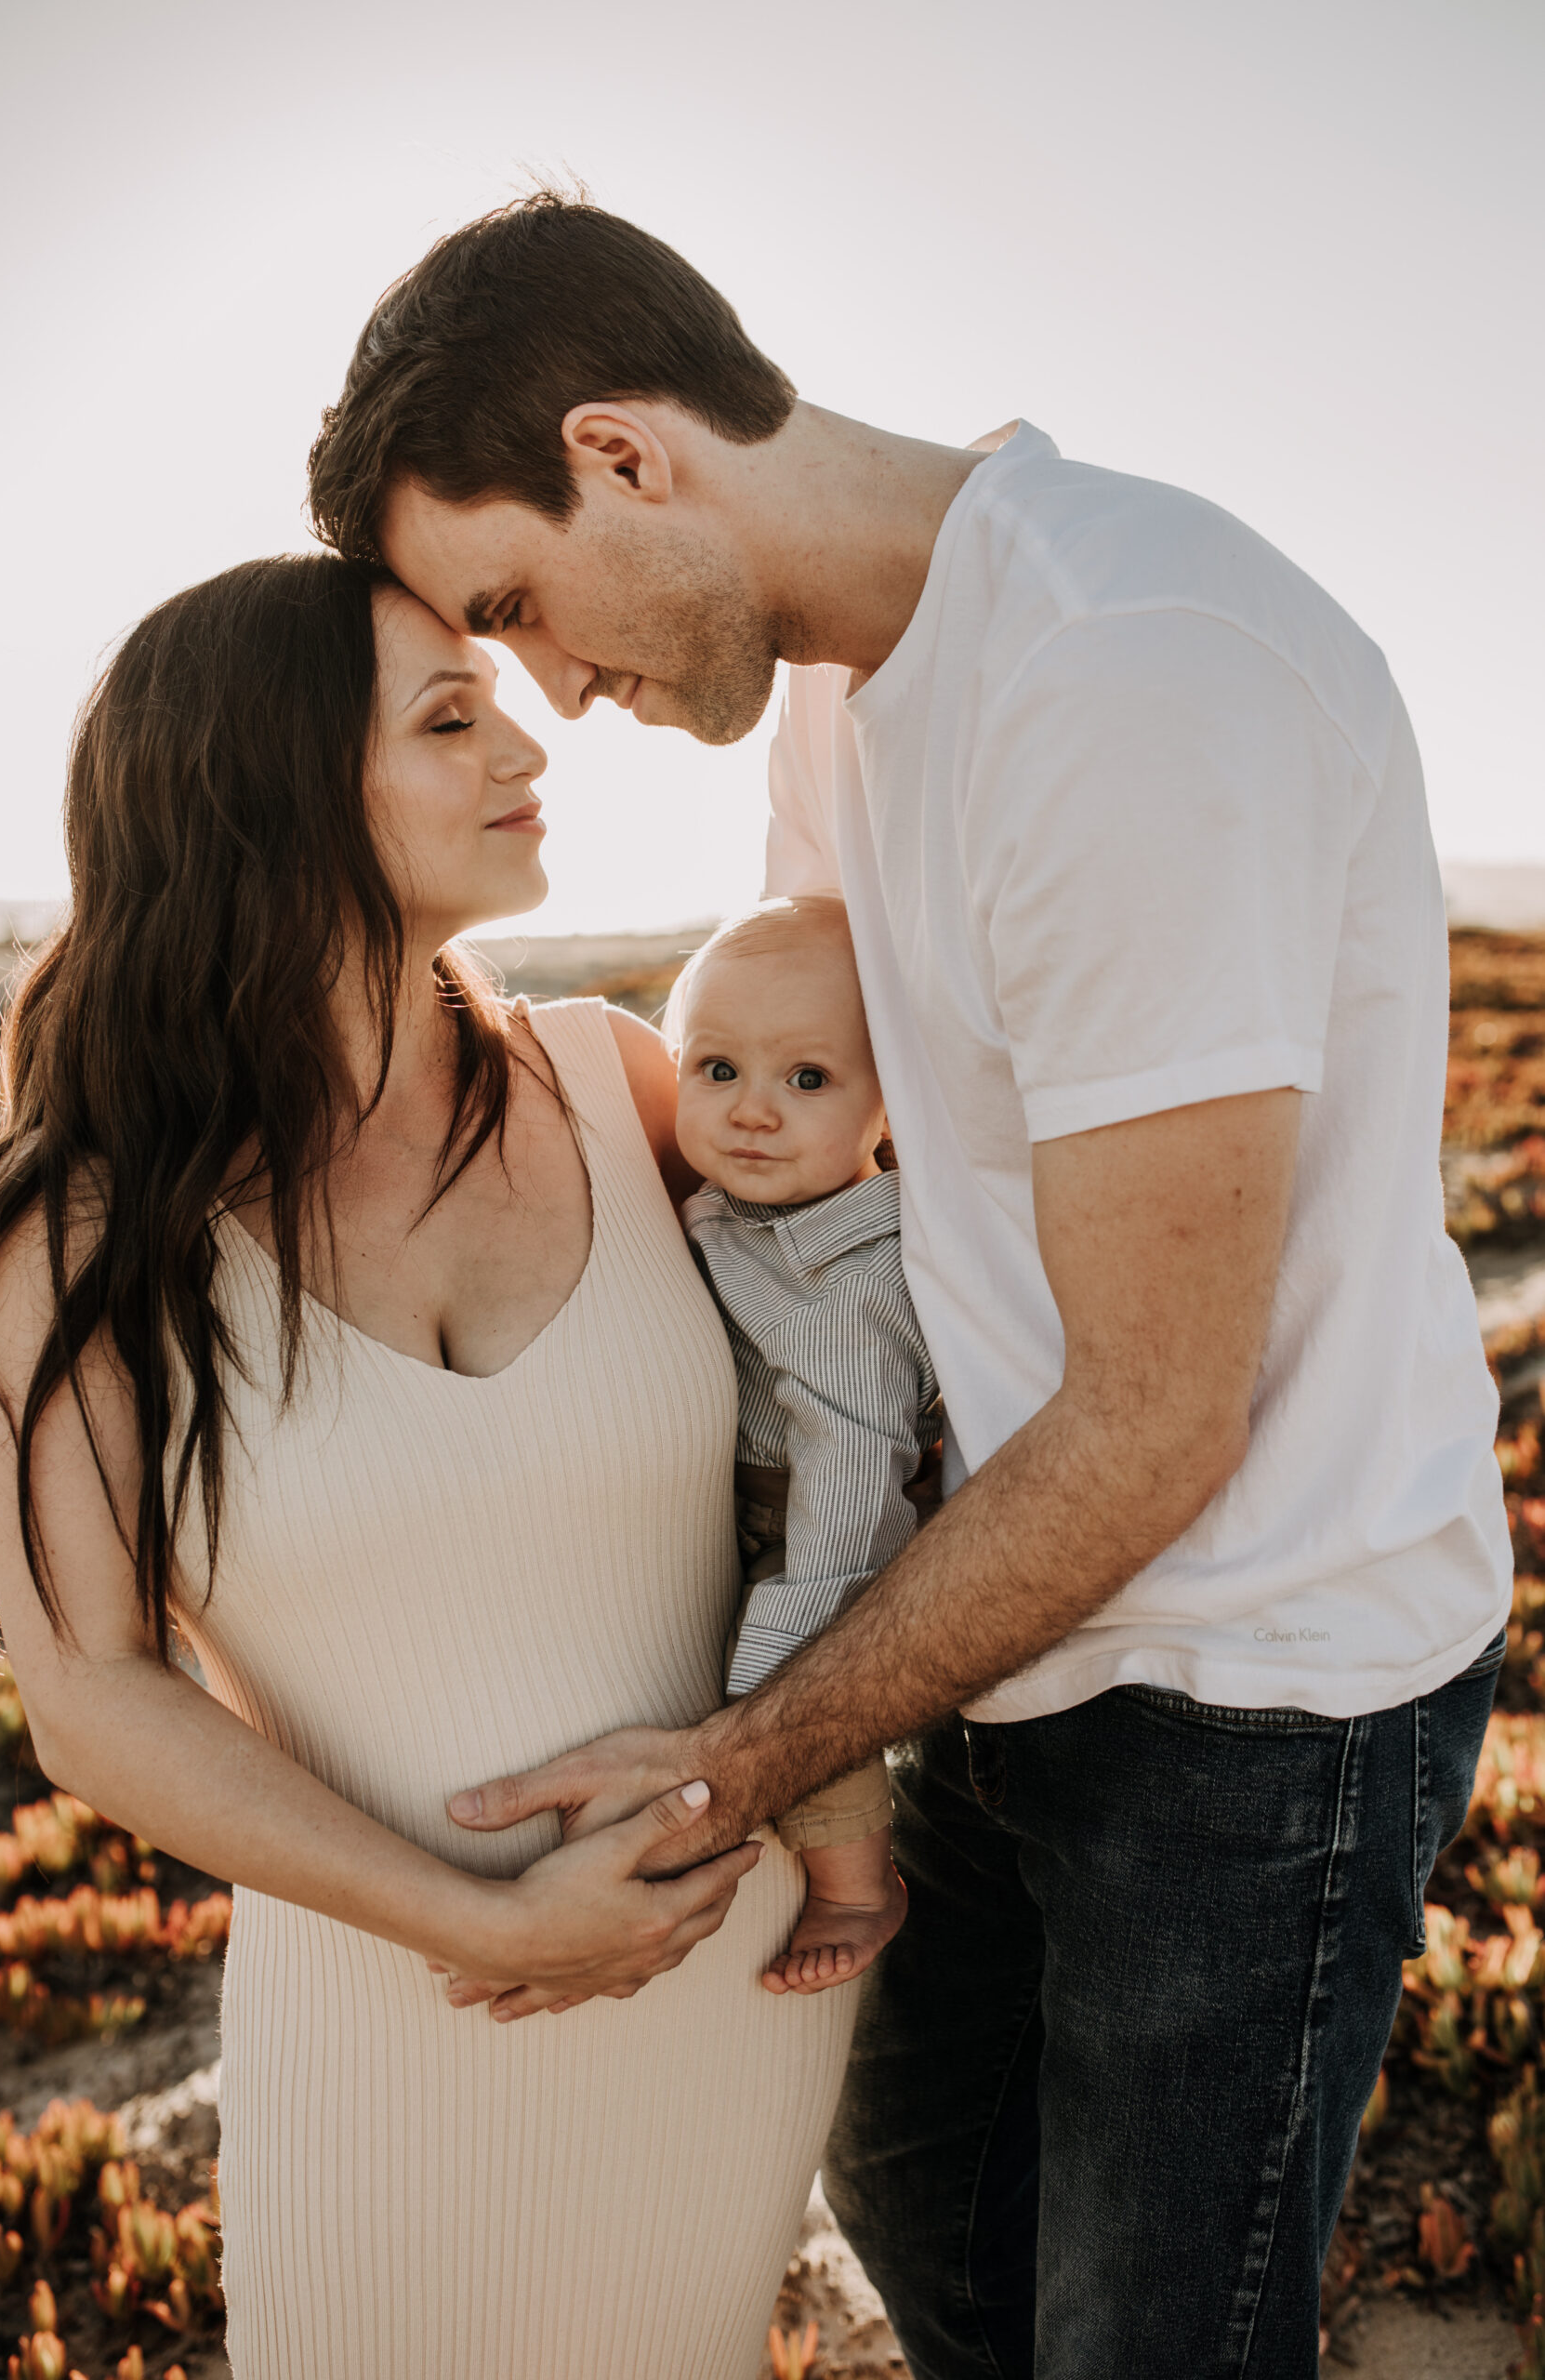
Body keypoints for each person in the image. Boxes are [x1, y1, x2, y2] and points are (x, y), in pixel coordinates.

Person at [305, 195, 1512, 2377]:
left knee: (1142, 2335)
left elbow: (1156, 1414)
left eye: (520, 609)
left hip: (1250, 1687)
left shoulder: (1128, 669)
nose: (552, 692)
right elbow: (798, 1173)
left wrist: (741, 1754)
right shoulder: (836, 711)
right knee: (929, 2218)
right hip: (995, 1615)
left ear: (626, 452)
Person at [0, 555, 856, 2380]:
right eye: (449, 714)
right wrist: (489, 1918)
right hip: (388, 1998)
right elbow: (93, 1699)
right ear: (270, 798)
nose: (526, 729)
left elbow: (884, 1376)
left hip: (722, 1975)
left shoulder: (629, 1085)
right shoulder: (69, 1231)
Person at [669, 894, 940, 1995]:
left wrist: (794, 1636)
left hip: (812, 1519)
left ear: (887, 1106)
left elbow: (854, 1469)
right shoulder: (738, 1208)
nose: (752, 1112)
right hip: (740, 1487)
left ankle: (854, 1885)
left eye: (809, 1079)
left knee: (813, 1716)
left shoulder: (856, 1283)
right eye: (717, 1069)